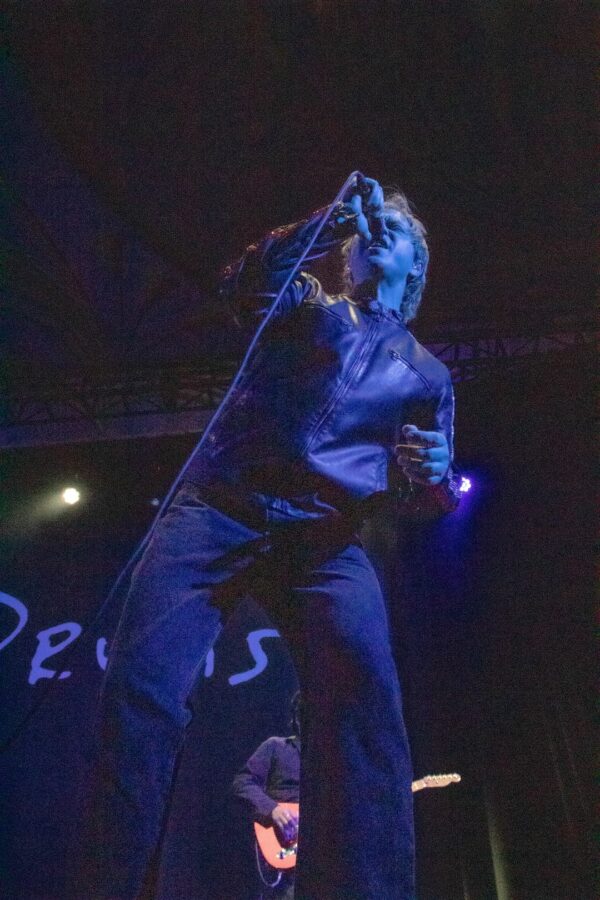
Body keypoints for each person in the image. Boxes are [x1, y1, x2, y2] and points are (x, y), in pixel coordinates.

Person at [82, 174, 461, 900]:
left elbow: (430, 499)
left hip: (323, 536)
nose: (384, 230)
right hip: (219, 508)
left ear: (417, 264)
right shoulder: (306, 306)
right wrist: (329, 219)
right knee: (142, 691)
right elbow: (245, 282)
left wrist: (437, 474)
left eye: (402, 231)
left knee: (365, 710)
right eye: (371, 230)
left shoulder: (428, 374)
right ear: (350, 255)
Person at [231, 692, 302, 899]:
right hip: (284, 845)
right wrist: (273, 809)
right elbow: (242, 783)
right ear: (297, 717)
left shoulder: (329, 759)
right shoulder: (276, 746)